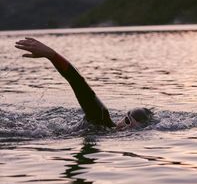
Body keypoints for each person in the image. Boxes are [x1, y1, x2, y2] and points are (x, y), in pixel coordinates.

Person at [15, 37, 152, 130]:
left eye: (133, 129)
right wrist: (52, 55)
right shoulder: (102, 117)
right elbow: (78, 83)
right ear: (123, 118)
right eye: (127, 121)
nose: (125, 128)